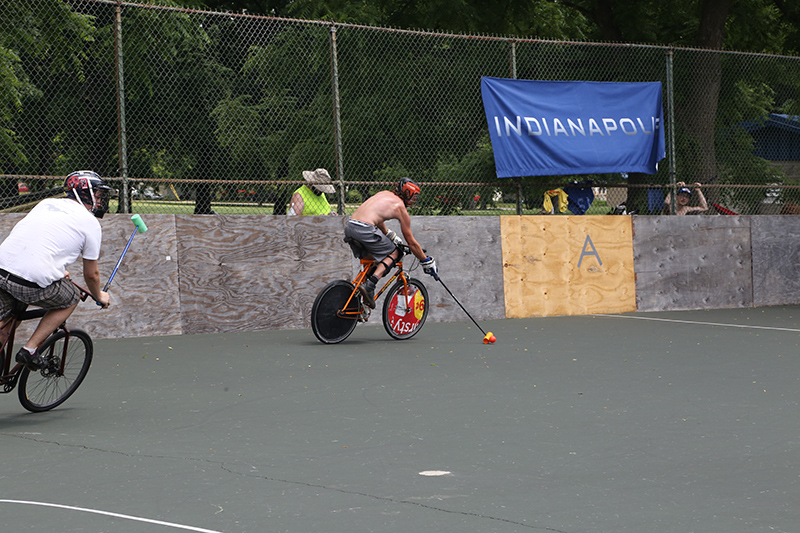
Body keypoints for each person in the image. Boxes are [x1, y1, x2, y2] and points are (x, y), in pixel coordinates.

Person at [0, 170, 113, 370]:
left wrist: (57, 272)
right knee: (72, 296)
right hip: (29, 282)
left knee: (7, 317)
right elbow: (91, 274)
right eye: (97, 194)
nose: (100, 199)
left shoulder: (46, 204)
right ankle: (30, 350)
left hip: (2, 269)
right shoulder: (90, 223)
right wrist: (99, 296)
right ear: (83, 193)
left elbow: (37, 241)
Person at [344, 177, 438, 309]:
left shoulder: (384, 194)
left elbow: (376, 216)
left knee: (372, 262)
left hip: (350, 226)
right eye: (414, 196)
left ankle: (359, 301)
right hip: (365, 229)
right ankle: (370, 286)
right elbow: (411, 242)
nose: (414, 200)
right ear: (407, 193)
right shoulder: (400, 208)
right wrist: (425, 260)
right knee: (396, 253)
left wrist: (388, 234)